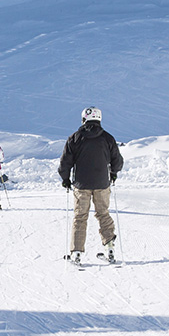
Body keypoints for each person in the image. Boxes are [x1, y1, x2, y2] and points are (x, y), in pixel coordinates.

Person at [59, 106, 123, 264]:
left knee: (80, 217)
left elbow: (65, 162)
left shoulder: (75, 138)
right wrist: (113, 173)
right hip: (102, 184)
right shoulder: (108, 138)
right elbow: (117, 160)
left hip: (82, 185)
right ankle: (109, 248)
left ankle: (76, 253)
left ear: (84, 119)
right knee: (103, 214)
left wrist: (65, 178)